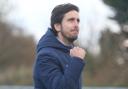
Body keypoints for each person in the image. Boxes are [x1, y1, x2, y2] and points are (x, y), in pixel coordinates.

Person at [33, 3, 86, 89]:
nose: (76, 25)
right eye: (71, 20)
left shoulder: (72, 53)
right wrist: (76, 61)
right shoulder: (45, 56)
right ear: (57, 26)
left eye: (78, 21)